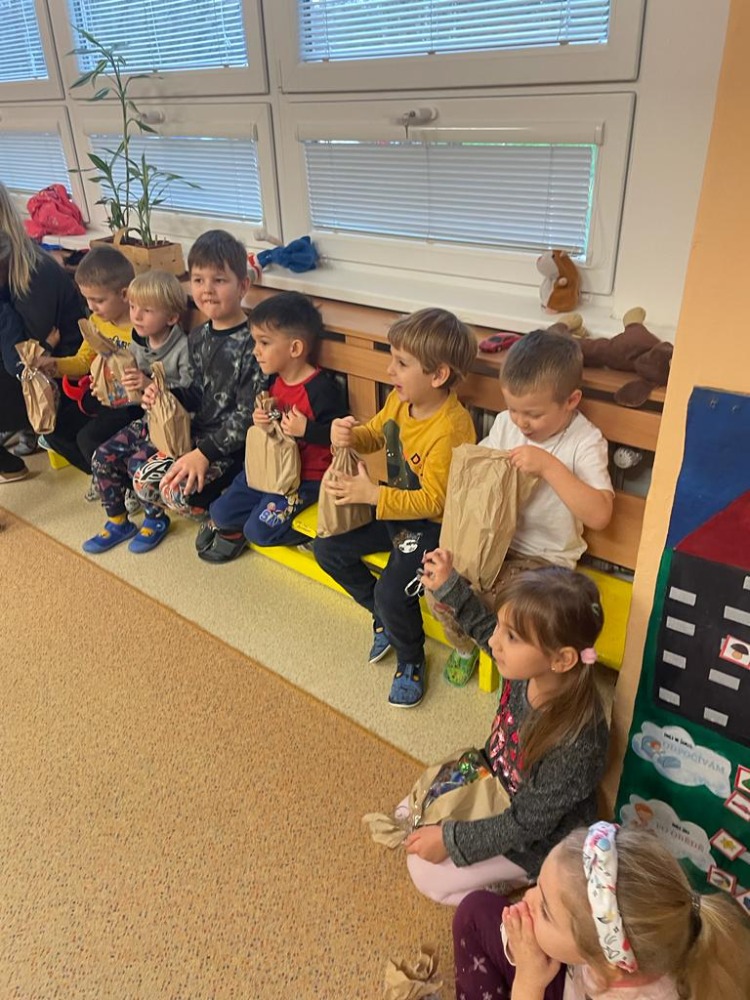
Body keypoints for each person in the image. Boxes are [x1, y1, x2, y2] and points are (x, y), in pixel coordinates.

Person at [400, 563, 607, 905]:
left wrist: (451, 841)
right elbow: (486, 632)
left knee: (425, 872)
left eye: (511, 637)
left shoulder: (577, 742)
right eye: (501, 626)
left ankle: (519, 879)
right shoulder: (528, 669)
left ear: (562, 659)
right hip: (495, 780)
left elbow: (526, 824)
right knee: (411, 812)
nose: (495, 642)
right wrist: (451, 587)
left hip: (535, 840)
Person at [313, 308, 477, 709]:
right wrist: (348, 435)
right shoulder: (401, 402)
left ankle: (410, 659)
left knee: (391, 591)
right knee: (328, 549)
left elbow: (435, 501)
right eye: (393, 359)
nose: (390, 370)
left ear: (438, 375)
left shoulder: (451, 427)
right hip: (393, 510)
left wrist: (372, 496)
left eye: (401, 363)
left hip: (429, 527)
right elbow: (375, 435)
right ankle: (383, 618)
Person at [433, 329, 614, 688]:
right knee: (439, 582)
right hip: (494, 544)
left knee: (506, 607)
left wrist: (548, 467)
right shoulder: (506, 425)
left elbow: (600, 515)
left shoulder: (584, 441)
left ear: (571, 400)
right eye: (513, 408)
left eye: (532, 414)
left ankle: (508, 665)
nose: (520, 422)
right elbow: (482, 477)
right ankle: (467, 647)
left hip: (546, 562)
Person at [83, 229, 264, 555]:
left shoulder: (254, 345)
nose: (207, 289)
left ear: (243, 286)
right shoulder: (199, 336)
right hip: (189, 430)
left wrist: (203, 454)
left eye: (219, 280)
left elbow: (246, 417)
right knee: (125, 469)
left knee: (170, 491)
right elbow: (194, 392)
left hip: (226, 447)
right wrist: (163, 394)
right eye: (198, 280)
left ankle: (223, 513)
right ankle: (124, 520)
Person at [453, 822, 750, 1000]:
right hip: (576, 975)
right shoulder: (628, 946)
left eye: (545, 910)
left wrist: (529, 981)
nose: (526, 897)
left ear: (606, 965)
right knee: (474, 911)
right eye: (538, 886)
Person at [196, 290, 346, 562]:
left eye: (264, 342)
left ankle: (315, 537)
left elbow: (342, 438)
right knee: (220, 512)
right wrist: (262, 419)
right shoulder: (274, 380)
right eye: (256, 341)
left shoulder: (321, 389)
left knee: (258, 531)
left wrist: (307, 431)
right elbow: (273, 423)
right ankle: (247, 521)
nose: (256, 350)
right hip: (270, 467)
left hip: (305, 479)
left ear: (295, 349)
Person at [0, 183, 86, 480]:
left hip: (55, 374)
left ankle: (12, 456)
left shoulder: (33, 273)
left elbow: (27, 359)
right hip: (25, 362)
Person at [40, 245, 136, 478]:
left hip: (132, 403)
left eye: (98, 300)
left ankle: (118, 483)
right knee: (54, 432)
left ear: (124, 294)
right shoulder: (96, 321)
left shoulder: (141, 323)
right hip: (102, 396)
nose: (91, 307)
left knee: (88, 439)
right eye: (87, 299)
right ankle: (103, 479)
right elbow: (83, 361)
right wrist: (53, 365)